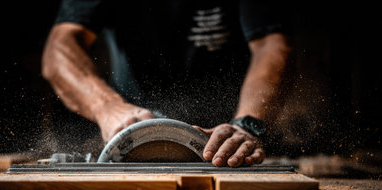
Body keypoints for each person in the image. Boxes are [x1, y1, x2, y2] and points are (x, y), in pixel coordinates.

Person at [42, 0, 292, 167]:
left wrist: (246, 124)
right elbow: (60, 45)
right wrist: (106, 107)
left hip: (221, 142)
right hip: (132, 134)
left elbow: (271, 45)